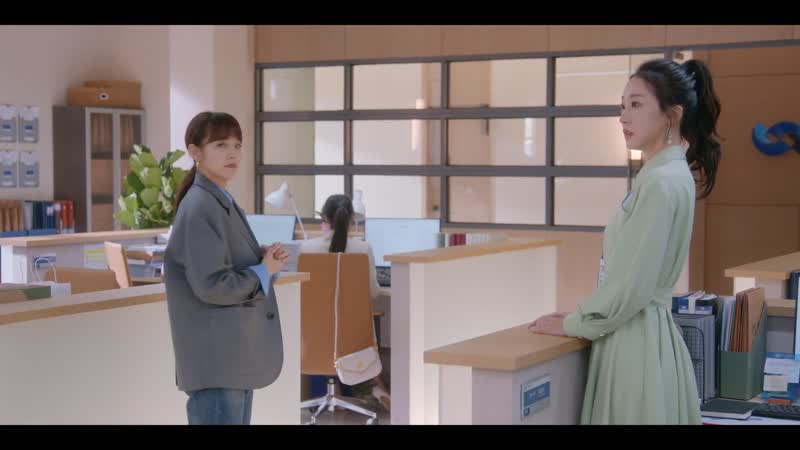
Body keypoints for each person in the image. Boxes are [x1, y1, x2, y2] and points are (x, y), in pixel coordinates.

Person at [529, 58, 722, 425]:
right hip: (645, 333)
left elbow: (632, 284)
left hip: (634, 339)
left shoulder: (660, 182)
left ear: (672, 115)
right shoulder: (669, 173)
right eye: (622, 105)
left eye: (636, 104)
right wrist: (582, 316)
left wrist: (576, 323)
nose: (623, 117)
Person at [164, 111, 289, 425]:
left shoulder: (219, 201)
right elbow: (212, 285)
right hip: (218, 360)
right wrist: (264, 270)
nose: (232, 153)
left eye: (237, 145)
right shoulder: (200, 206)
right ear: (196, 152)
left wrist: (260, 259)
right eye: (221, 145)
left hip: (231, 357)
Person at [299, 194, 391, 410]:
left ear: (325, 219)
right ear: (351, 220)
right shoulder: (363, 249)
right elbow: (372, 294)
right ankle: (377, 388)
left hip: (313, 342)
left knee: (325, 329)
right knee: (356, 329)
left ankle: (337, 394)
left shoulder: (306, 248)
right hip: (354, 341)